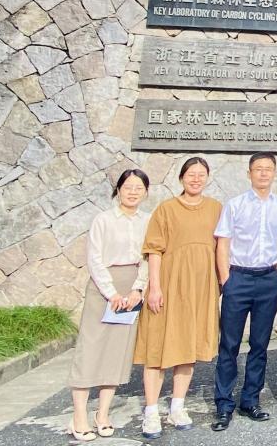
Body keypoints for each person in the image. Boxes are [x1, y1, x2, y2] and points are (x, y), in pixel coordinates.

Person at [135, 157, 223, 439]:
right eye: (191, 174)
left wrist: (222, 282)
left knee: (188, 346)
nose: (196, 179)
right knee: (157, 347)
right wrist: (155, 287)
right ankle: (151, 411)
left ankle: (177, 406)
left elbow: (223, 246)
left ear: (207, 177)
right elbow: (154, 250)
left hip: (200, 288)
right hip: (169, 286)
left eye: (201, 174)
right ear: (181, 177)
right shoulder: (166, 209)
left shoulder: (216, 208)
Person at [66, 169, 151, 441]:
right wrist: (112, 293)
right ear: (118, 189)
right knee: (90, 349)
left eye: (139, 188)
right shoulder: (103, 220)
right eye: (128, 187)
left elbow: (149, 257)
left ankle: (102, 414)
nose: (133, 192)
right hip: (103, 288)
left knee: (117, 351)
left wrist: (138, 288)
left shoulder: (148, 220)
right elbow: (94, 259)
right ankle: (79, 416)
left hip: (133, 287)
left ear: (146, 192)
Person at [211, 153, 277, 431]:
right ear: (249, 173)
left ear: (274, 173)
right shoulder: (235, 205)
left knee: (259, 344)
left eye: (268, 169)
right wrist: (226, 279)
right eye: (258, 169)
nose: (263, 173)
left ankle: (250, 400)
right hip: (239, 279)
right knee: (229, 344)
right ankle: (224, 405)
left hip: (268, 279)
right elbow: (223, 242)